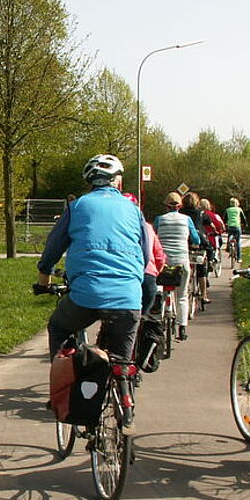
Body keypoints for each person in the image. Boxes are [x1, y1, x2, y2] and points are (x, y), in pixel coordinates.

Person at [37, 155, 149, 429]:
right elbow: (146, 256)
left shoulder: (77, 206)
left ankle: (61, 389)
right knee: (121, 362)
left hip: (86, 295)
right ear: (118, 181)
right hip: (128, 296)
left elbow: (53, 247)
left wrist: (43, 278)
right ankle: (124, 404)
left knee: (59, 326)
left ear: (89, 182)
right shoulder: (134, 210)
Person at [154, 192, 200, 341]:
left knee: (159, 290)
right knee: (182, 295)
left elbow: (153, 237)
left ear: (166, 206)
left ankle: (159, 321)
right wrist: (195, 244)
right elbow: (195, 238)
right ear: (180, 206)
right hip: (182, 261)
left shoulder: (159, 220)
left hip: (164, 263)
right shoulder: (187, 220)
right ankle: (182, 328)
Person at [123, 192, 166, 314]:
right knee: (144, 314)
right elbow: (159, 254)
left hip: (125, 276)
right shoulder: (147, 227)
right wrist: (156, 271)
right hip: (148, 276)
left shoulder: (117, 228)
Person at [180, 192, 213, 304]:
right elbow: (210, 224)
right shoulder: (201, 212)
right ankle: (204, 295)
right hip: (199, 239)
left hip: (186, 240)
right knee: (202, 268)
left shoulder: (181, 212)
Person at [224, 197, 248, 262]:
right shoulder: (239, 209)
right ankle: (239, 258)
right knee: (238, 241)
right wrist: (245, 224)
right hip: (237, 226)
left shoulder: (227, 210)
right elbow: (243, 218)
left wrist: (225, 224)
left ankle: (228, 247)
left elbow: (225, 218)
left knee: (229, 235)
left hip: (230, 226)